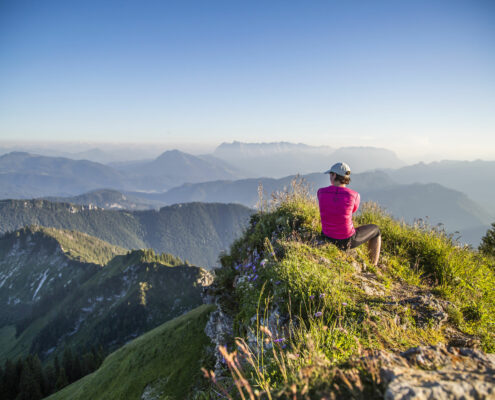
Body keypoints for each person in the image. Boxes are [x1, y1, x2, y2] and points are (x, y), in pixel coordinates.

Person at [317, 162, 381, 266]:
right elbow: (352, 210)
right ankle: (373, 265)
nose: (330, 177)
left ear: (334, 175)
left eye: (330, 174)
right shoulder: (354, 195)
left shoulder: (321, 192)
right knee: (376, 230)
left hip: (326, 236)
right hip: (346, 240)